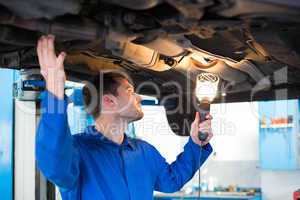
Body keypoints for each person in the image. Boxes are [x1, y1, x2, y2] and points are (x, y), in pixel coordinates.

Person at [35, 35, 213, 200]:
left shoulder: (144, 151)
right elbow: (53, 162)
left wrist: (196, 144)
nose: (139, 97)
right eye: (130, 91)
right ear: (109, 101)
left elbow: (171, 181)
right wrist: (55, 95)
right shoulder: (78, 151)